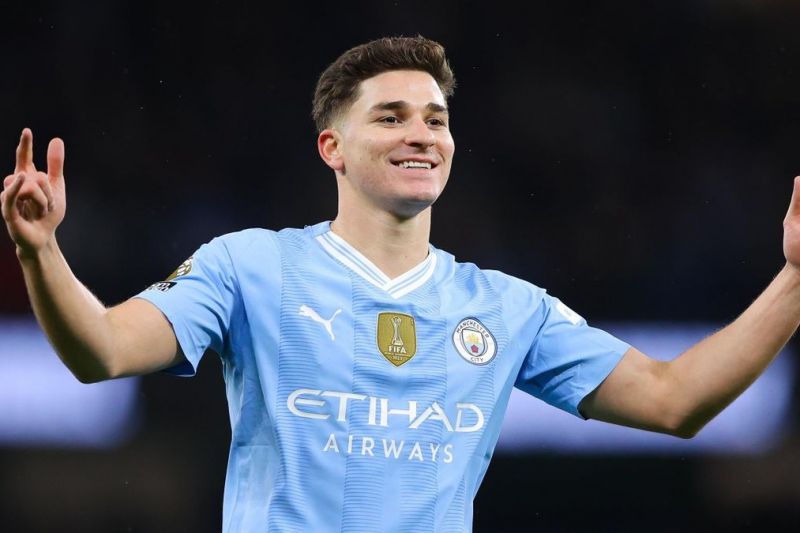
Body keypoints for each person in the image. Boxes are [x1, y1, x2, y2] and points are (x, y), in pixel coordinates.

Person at [2, 36, 799, 532]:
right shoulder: (248, 266)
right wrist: (42, 253)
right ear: (332, 148)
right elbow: (102, 351)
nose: (422, 133)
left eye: (435, 119)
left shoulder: (505, 307)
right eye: (390, 116)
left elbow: (673, 399)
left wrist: (795, 280)